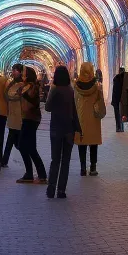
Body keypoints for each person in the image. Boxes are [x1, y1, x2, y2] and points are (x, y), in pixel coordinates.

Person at [45, 65, 81, 199]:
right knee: (65, 161)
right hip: (69, 129)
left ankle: (51, 189)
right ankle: (61, 190)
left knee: (55, 160)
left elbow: (48, 107)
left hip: (56, 128)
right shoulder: (70, 90)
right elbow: (74, 110)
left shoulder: (54, 90)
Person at [73, 61, 105, 176]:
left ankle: (82, 168)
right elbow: (100, 100)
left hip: (80, 116)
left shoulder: (76, 85)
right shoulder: (96, 86)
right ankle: (93, 167)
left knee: (82, 142)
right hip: (93, 117)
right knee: (93, 142)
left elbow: (74, 101)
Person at [16, 67, 47, 183]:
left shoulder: (33, 86)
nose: (22, 76)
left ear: (28, 76)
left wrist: (23, 95)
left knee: (26, 146)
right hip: (27, 118)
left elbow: (34, 102)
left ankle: (37, 174)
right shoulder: (27, 86)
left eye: (24, 74)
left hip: (31, 119)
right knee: (25, 146)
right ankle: (32, 173)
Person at [2, 63, 25, 166]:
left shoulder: (23, 84)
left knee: (14, 138)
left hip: (20, 114)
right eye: (13, 70)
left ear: (20, 72)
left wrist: (13, 96)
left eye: (15, 70)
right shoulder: (11, 83)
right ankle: (5, 160)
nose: (13, 72)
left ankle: (5, 160)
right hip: (12, 113)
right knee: (13, 138)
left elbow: (19, 96)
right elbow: (6, 95)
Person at [110, 66, 125, 133]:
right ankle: (121, 127)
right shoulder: (126, 78)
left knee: (117, 114)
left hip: (116, 99)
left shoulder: (116, 78)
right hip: (123, 99)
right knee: (123, 113)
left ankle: (119, 127)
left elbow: (114, 90)